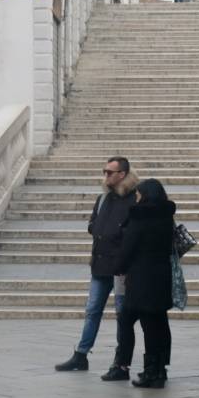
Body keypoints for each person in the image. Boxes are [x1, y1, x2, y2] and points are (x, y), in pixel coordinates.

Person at [55, 156, 139, 371]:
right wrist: (99, 230)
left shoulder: (135, 199)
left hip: (122, 268)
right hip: (100, 264)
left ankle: (120, 360)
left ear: (122, 174)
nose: (106, 176)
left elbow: (135, 233)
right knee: (92, 310)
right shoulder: (103, 198)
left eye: (110, 172)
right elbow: (93, 224)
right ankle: (80, 355)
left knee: (122, 315)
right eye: (105, 171)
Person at [104, 178, 177, 388]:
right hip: (161, 277)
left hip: (141, 279)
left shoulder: (139, 217)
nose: (135, 197)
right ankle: (159, 369)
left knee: (133, 321)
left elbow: (128, 248)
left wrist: (117, 267)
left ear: (144, 195)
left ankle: (147, 371)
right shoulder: (166, 217)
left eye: (138, 194)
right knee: (158, 324)